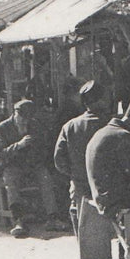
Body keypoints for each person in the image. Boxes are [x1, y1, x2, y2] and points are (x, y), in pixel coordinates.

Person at [0, 99, 68, 238]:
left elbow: (43, 148)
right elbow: (1, 153)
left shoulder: (35, 125)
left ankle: (52, 218)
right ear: (15, 113)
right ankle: (19, 221)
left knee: (45, 176)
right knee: (11, 180)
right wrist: (19, 145)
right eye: (22, 118)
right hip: (13, 165)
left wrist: (35, 155)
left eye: (27, 119)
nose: (24, 122)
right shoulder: (3, 127)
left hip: (32, 164)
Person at [53, 81, 112, 235]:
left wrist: (74, 174)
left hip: (80, 184)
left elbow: (59, 160)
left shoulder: (70, 126)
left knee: (81, 220)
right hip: (109, 186)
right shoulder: (112, 124)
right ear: (102, 100)